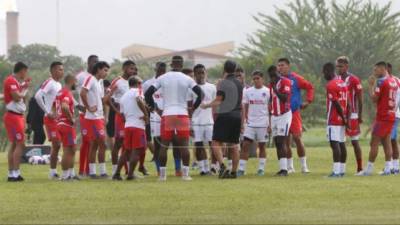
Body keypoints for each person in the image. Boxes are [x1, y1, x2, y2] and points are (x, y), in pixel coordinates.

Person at [145, 55, 203, 181]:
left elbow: (147, 93)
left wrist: (154, 108)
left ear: (171, 65)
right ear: (182, 65)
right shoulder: (187, 78)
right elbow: (200, 93)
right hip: (182, 113)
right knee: (184, 145)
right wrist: (193, 108)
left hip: (167, 113)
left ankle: (162, 175)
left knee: (164, 146)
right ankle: (186, 175)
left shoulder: (162, 77)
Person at [201, 60, 243, 179]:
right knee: (234, 145)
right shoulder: (240, 83)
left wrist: (206, 105)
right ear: (235, 69)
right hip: (237, 116)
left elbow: (219, 100)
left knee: (216, 142)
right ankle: (234, 172)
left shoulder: (223, 83)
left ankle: (223, 166)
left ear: (224, 69)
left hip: (225, 115)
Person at [358, 62, 398, 176]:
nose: (374, 72)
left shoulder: (381, 82)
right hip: (391, 115)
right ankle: (388, 168)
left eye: (376, 70)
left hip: (383, 116)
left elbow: (374, 99)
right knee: (387, 142)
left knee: (374, 142)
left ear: (382, 69)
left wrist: (371, 86)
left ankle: (369, 169)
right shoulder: (394, 81)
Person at [107, 60, 144, 176]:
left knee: (130, 145)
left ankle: (129, 171)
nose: (133, 71)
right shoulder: (117, 81)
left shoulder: (135, 83)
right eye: (131, 69)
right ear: (124, 68)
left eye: (134, 69)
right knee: (119, 143)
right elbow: (107, 98)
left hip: (132, 118)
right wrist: (117, 111)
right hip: (121, 116)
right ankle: (114, 171)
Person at [277, 58, 314, 173]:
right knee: (286, 140)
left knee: (297, 138)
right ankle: (290, 167)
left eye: (282, 65)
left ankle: (304, 166)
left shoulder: (296, 78)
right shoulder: (278, 80)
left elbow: (309, 87)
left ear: (288, 66)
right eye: (278, 66)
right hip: (283, 114)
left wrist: (308, 101)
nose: (280, 68)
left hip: (294, 113)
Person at [113, 76, 149, 180]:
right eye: (141, 83)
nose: (141, 85)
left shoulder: (124, 96)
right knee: (137, 150)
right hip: (137, 126)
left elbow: (122, 114)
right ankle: (130, 174)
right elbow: (138, 100)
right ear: (137, 83)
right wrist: (146, 115)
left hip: (128, 126)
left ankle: (117, 174)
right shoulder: (138, 91)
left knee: (127, 151)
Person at [80, 61, 110, 178]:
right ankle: (100, 172)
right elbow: (83, 93)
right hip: (92, 118)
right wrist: (88, 107)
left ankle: (93, 172)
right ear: (98, 70)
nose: (106, 73)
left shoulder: (100, 82)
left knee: (96, 145)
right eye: (105, 70)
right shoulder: (90, 79)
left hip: (99, 116)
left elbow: (102, 100)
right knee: (101, 144)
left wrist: (110, 92)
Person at [35, 61, 64, 179]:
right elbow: (37, 96)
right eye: (59, 69)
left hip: (58, 119)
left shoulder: (59, 85)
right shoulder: (49, 82)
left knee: (57, 145)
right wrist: (48, 112)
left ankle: (54, 172)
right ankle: (52, 172)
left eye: (62, 69)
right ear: (52, 71)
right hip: (50, 119)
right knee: (56, 144)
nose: (61, 72)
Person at [238, 70, 270, 177]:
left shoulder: (268, 91)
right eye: (254, 79)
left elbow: (270, 109)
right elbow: (245, 107)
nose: (256, 80)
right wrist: (243, 123)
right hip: (250, 123)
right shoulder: (248, 91)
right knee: (245, 145)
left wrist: (269, 123)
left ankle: (261, 169)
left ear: (262, 79)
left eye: (258, 78)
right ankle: (241, 169)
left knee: (262, 146)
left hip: (263, 124)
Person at [336, 56, 364, 174]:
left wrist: (359, 115)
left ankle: (360, 168)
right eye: (337, 66)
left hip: (352, 114)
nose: (338, 68)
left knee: (354, 141)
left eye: (341, 66)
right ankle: (341, 169)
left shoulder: (354, 79)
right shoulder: (336, 79)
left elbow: (360, 99)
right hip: (339, 114)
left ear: (347, 66)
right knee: (340, 142)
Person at [3, 62, 30, 182]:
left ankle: (12, 173)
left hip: (17, 116)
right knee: (20, 143)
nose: (26, 74)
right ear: (22, 70)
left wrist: (24, 87)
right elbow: (16, 97)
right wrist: (24, 90)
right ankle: (15, 173)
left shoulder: (15, 82)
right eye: (26, 71)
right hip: (14, 117)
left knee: (15, 144)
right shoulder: (11, 80)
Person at [142, 62, 169, 175]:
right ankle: (159, 170)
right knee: (158, 144)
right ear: (155, 69)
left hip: (168, 115)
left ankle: (173, 169)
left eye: (163, 71)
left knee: (166, 144)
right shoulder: (148, 83)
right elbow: (143, 99)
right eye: (159, 70)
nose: (162, 73)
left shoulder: (168, 83)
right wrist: (153, 109)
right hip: (154, 117)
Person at [322, 62, 349, 177]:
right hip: (342, 118)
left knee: (335, 144)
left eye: (324, 73)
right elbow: (346, 102)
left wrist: (343, 116)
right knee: (342, 143)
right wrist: (345, 117)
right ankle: (342, 170)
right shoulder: (343, 83)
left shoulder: (331, 85)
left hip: (334, 119)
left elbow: (336, 103)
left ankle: (336, 172)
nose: (324, 75)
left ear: (328, 71)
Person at [191, 64, 216, 175]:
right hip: (196, 122)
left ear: (206, 73)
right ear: (194, 74)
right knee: (199, 145)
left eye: (203, 72)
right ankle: (203, 168)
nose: (201, 75)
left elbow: (215, 104)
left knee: (213, 145)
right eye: (198, 73)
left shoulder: (212, 87)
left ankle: (214, 167)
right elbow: (189, 106)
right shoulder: (191, 88)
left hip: (209, 122)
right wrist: (189, 123)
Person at [76, 55, 99, 176]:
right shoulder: (81, 77)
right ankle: (81, 170)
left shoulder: (97, 78)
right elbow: (69, 91)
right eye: (94, 62)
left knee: (95, 142)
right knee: (86, 141)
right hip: (84, 114)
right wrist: (76, 105)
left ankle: (90, 169)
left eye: (97, 62)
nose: (96, 64)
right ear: (88, 63)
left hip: (96, 115)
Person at [267, 65, 292, 176]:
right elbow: (271, 101)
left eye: (274, 74)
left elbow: (285, 98)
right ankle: (282, 168)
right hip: (274, 115)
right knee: (277, 142)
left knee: (282, 140)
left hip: (284, 115)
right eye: (271, 75)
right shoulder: (271, 85)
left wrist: (275, 88)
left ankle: (285, 169)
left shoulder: (285, 82)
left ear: (278, 72)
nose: (273, 77)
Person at [56, 75, 78, 180]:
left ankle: (70, 174)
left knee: (72, 149)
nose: (76, 84)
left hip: (60, 123)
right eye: (76, 82)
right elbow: (64, 106)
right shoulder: (66, 93)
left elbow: (55, 106)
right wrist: (71, 118)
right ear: (72, 81)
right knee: (68, 150)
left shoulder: (60, 92)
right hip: (66, 124)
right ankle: (65, 176)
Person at [387, 63, 400, 174]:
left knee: (389, 140)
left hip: (391, 115)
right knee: (393, 140)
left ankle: (391, 167)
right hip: (395, 115)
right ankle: (395, 167)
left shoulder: (391, 81)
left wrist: (393, 110)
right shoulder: (397, 80)